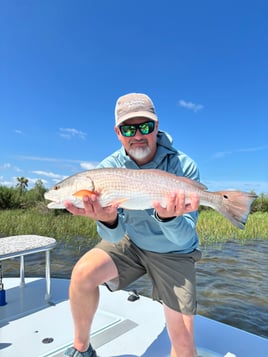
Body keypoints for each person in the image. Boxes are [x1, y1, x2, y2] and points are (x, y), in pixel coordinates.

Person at [64, 93, 202, 357]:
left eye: (145, 126)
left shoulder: (183, 166)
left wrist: (168, 218)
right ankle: (81, 350)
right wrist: (108, 219)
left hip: (174, 253)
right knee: (82, 273)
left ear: (156, 127)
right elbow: (113, 237)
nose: (137, 134)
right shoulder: (107, 169)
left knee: (184, 344)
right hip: (132, 242)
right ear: (118, 132)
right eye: (128, 128)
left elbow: (185, 241)